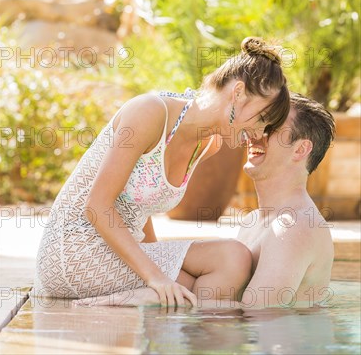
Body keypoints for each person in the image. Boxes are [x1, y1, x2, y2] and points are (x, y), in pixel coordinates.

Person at [34, 36, 290, 307]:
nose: (260, 133)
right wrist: (157, 277)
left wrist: (159, 265)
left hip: (118, 250)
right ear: (237, 93)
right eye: (262, 119)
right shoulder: (150, 113)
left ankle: (151, 312)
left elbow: (140, 203)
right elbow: (97, 206)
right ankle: (138, 305)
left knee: (233, 257)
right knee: (191, 289)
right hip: (72, 252)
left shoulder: (209, 145)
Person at [237, 92, 336, 309]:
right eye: (258, 122)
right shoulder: (252, 221)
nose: (255, 133)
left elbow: (257, 314)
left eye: (270, 127)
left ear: (300, 149)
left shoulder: (294, 226)